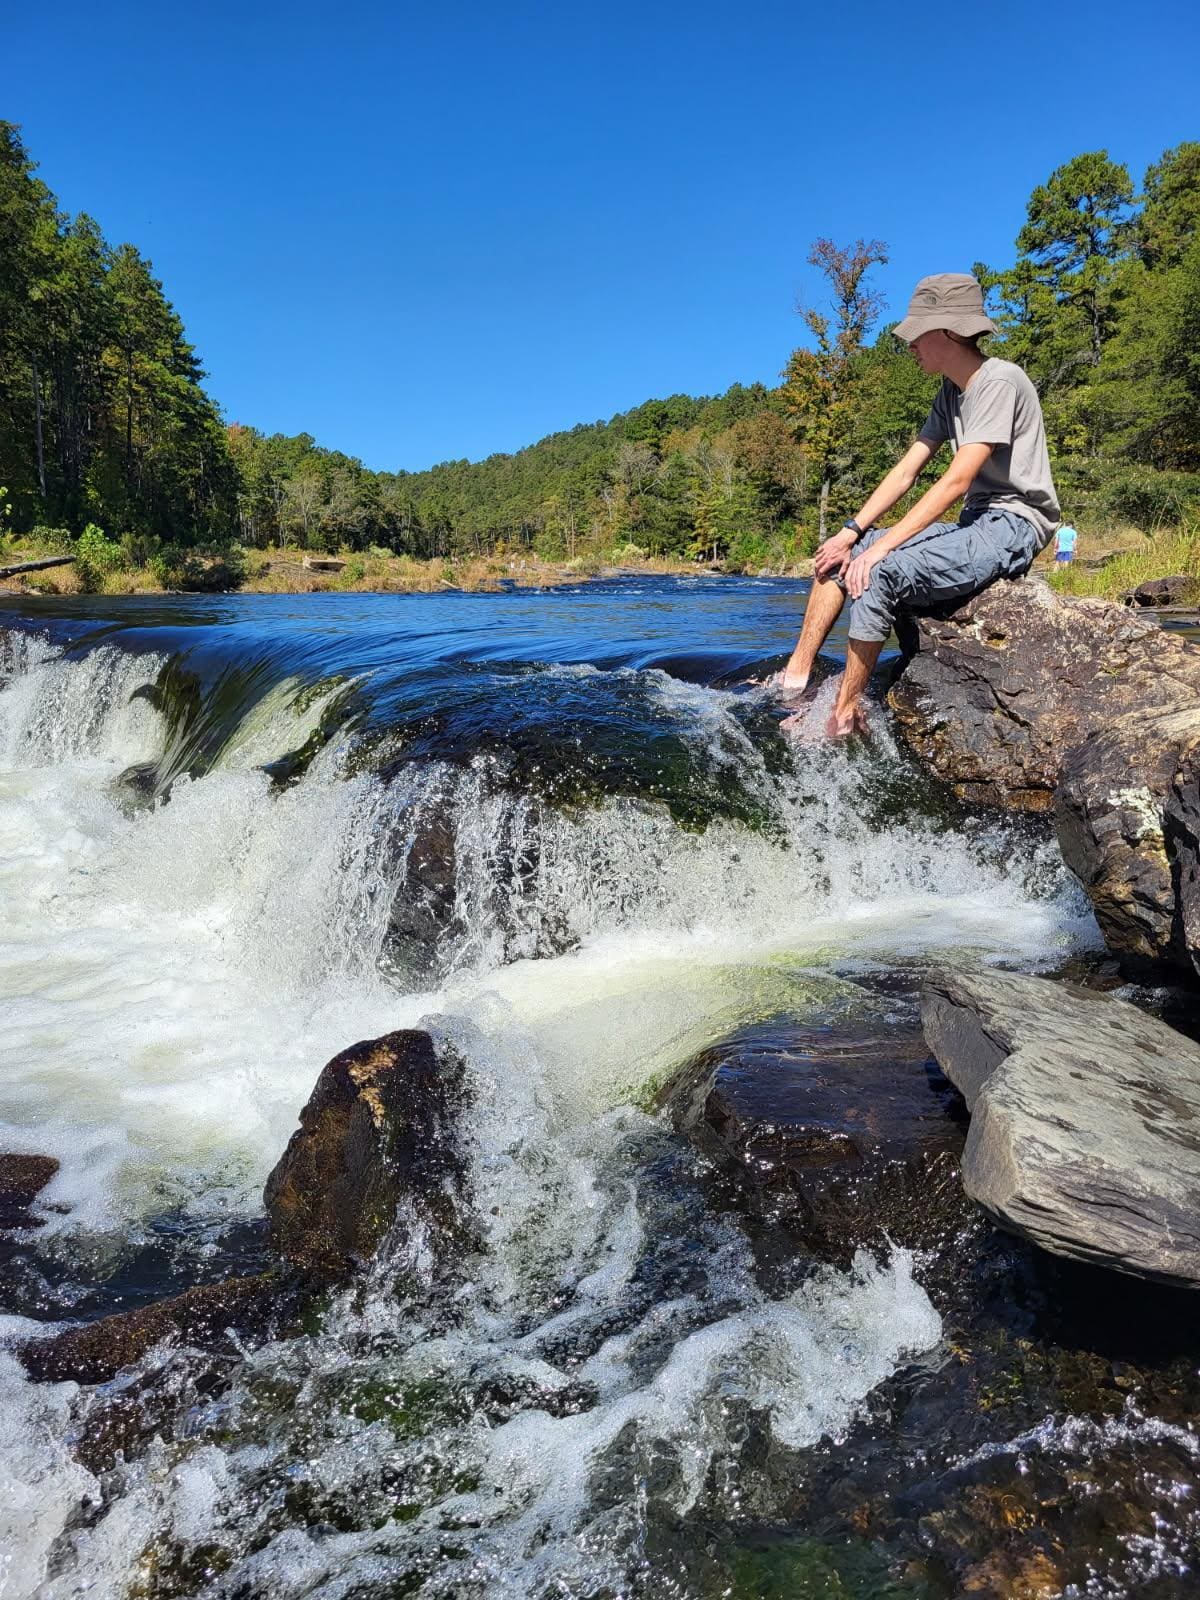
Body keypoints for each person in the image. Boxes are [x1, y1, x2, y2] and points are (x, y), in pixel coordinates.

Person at [779, 272, 1060, 736]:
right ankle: (795, 677)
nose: (909, 345)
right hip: (976, 520)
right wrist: (852, 532)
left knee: (880, 572)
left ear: (949, 332)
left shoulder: (1000, 381)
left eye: (917, 334)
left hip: (1015, 523)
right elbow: (907, 471)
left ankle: (844, 713)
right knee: (839, 559)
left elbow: (957, 480)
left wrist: (880, 551)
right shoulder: (950, 391)